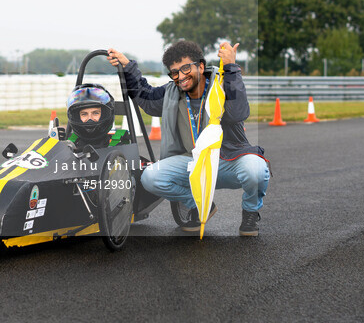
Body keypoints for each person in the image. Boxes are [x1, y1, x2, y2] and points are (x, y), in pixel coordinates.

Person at [107, 40, 269, 236]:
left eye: (185, 68)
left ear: (200, 66)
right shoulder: (170, 93)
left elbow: (238, 113)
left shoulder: (221, 85)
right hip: (191, 162)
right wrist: (127, 66)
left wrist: (230, 68)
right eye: (174, 72)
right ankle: (200, 206)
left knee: (256, 169)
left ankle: (250, 211)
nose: (180, 76)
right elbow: (146, 98)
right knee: (151, 177)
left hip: (227, 160)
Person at [65, 83, 115, 149]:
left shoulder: (121, 144)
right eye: (84, 114)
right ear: (76, 116)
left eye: (95, 113)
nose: (90, 119)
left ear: (104, 114)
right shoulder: (67, 144)